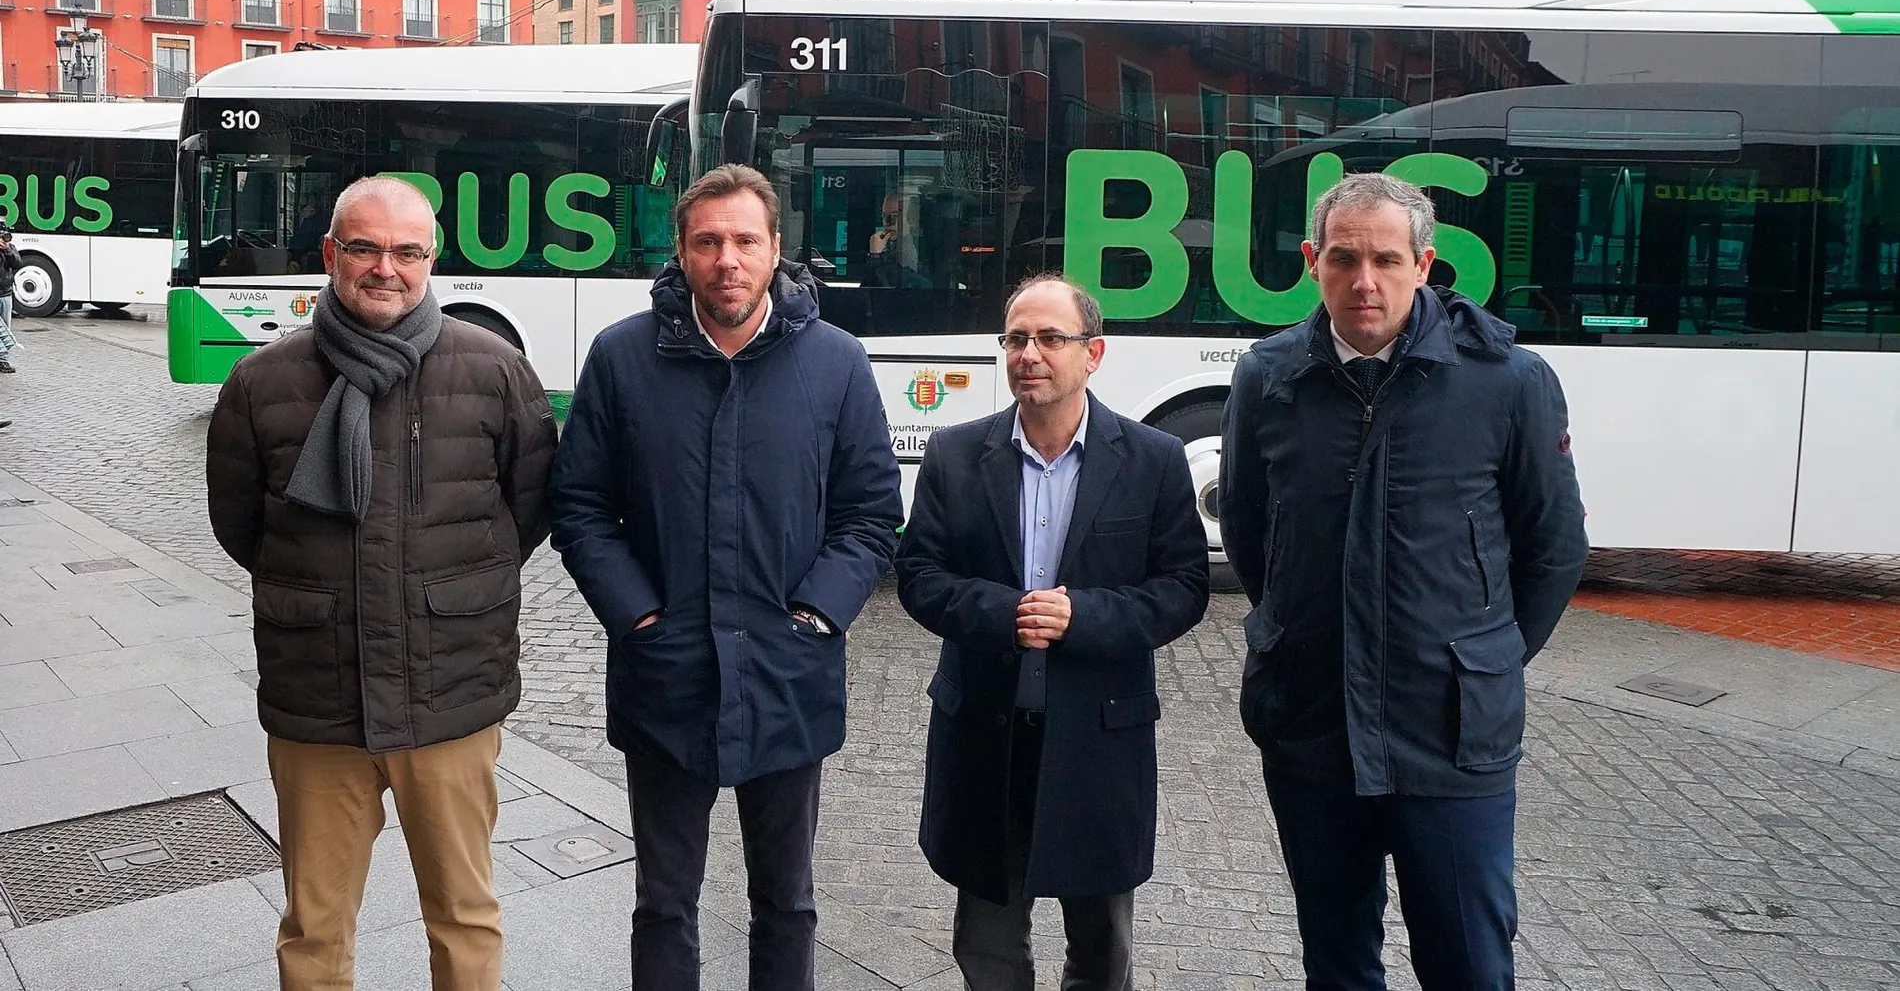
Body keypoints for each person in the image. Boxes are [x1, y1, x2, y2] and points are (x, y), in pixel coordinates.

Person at [1218, 172, 1588, 991]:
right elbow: (1250, 530)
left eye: (1386, 259)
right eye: (1343, 258)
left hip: (1452, 738)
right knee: (1338, 963)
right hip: (1311, 726)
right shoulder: (1267, 379)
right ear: (1312, 261)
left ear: (1424, 265)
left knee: (1468, 964)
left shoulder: (1507, 381)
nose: (1364, 281)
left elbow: (1554, 547)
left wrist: (1483, 658)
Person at [548, 163, 903, 991]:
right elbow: (581, 506)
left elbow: (870, 512)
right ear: (681, 251)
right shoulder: (622, 358)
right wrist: (638, 616)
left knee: (788, 899)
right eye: (708, 242)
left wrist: (819, 612)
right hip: (667, 675)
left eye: (745, 240)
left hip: (789, 673)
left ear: (776, 249)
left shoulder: (836, 362)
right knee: (664, 902)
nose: (727, 260)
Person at [205, 175, 558, 991]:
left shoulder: (496, 371)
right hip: (317, 701)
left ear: (432, 259)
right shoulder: (263, 381)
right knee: (314, 927)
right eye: (364, 247)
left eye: (406, 250)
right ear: (331, 254)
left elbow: (527, 510)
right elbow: (240, 526)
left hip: (451, 693)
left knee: (465, 915)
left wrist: (451, 592)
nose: (385, 267)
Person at [895, 273, 1210, 990]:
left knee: (1102, 948)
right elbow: (919, 574)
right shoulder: (953, 454)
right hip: (985, 731)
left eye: (1049, 338)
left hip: (1098, 738)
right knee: (988, 944)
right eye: (1016, 338)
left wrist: (1085, 616)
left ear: (1093, 353)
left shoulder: (1154, 460)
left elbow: (1184, 587)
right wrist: (1002, 612)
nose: (1029, 354)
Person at [1, 224, 22, 374]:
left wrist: (7, 250)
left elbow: (17, 263)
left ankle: (3, 361)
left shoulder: (10, 248)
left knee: (5, 330)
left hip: (5, 294)